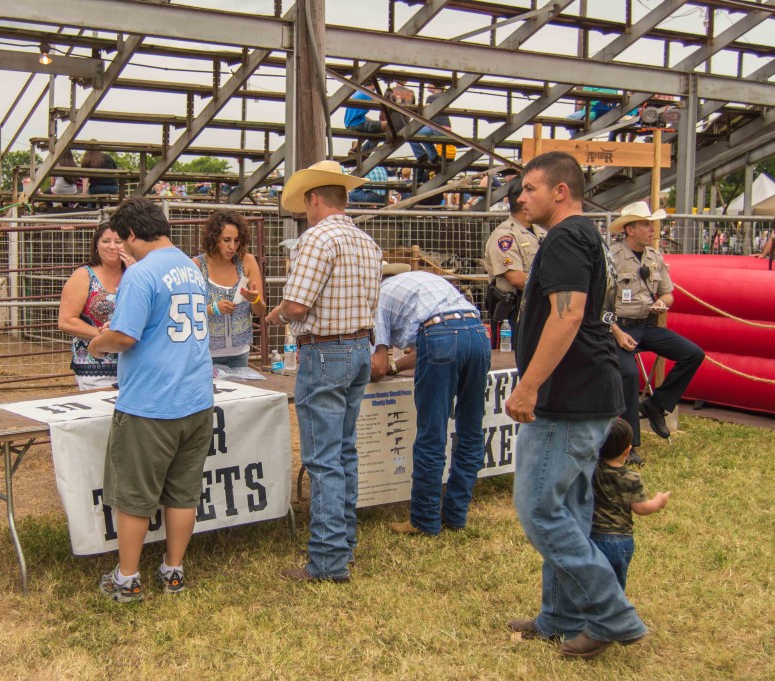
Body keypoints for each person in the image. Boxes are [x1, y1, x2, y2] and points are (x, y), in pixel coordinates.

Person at [504, 151, 647, 659]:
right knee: (569, 507)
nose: (522, 198)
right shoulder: (591, 236)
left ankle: (612, 615)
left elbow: (568, 318)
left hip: (567, 397)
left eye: (530, 188)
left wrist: (529, 386)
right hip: (589, 391)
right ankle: (561, 616)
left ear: (560, 191)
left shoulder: (566, 236)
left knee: (541, 509)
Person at [87, 197, 214, 603]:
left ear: (130, 234)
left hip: (151, 403)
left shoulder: (140, 274)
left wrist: (96, 343)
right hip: (195, 398)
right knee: (183, 493)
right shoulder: (192, 267)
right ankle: (173, 569)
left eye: (123, 240)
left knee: (135, 496)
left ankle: (127, 577)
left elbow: (124, 336)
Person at [265, 160, 382, 582]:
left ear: (315, 199)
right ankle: (342, 542)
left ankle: (328, 560)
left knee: (324, 458)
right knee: (343, 449)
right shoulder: (366, 242)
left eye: (305, 203)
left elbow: (297, 306)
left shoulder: (315, 239)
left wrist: (276, 317)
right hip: (358, 347)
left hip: (325, 352)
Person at [370, 267, 491, 536]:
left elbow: (377, 368)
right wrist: (395, 367)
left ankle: (424, 520)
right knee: (470, 431)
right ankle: (456, 515)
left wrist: (361, 364)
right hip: (476, 332)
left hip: (439, 336)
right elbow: (430, 344)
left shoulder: (376, 298)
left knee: (431, 434)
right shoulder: (423, 282)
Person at [608, 201, 704, 464]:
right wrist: (615, 331)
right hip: (618, 328)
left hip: (647, 325)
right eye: (645, 224)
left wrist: (663, 302)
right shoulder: (612, 257)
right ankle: (628, 444)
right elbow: (599, 302)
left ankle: (656, 405)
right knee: (628, 373)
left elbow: (668, 293)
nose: (652, 229)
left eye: (652, 224)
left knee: (693, 354)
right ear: (629, 229)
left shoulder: (654, 257)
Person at [590, 418, 670, 591]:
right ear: (628, 450)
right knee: (615, 587)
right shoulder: (631, 478)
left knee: (592, 584)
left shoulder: (593, 470)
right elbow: (641, 508)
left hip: (592, 537)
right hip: (620, 541)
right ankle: (613, 614)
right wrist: (659, 501)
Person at [58, 223, 136, 389]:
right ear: (96, 245)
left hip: (132, 365)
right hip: (95, 368)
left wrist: (136, 273)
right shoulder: (83, 275)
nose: (112, 247)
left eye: (119, 241)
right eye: (106, 241)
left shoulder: (136, 274)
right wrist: (102, 335)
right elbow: (66, 321)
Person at [194, 210, 267, 369]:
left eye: (236, 240)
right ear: (213, 238)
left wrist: (254, 299)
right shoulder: (197, 265)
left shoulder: (247, 261)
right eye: (226, 240)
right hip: (207, 353)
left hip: (239, 353)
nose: (232, 246)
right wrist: (214, 308)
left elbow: (261, 310)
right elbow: (188, 311)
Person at [483, 178, 546, 348]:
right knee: (512, 361)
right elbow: (516, 278)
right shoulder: (505, 236)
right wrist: (553, 285)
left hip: (538, 306)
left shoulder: (540, 231)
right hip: (512, 313)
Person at [343, 85, 382, 152]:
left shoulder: (359, 91)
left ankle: (355, 148)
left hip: (350, 122)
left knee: (370, 124)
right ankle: (364, 153)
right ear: (373, 84)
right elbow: (382, 102)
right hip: (356, 123)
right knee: (385, 127)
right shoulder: (368, 92)